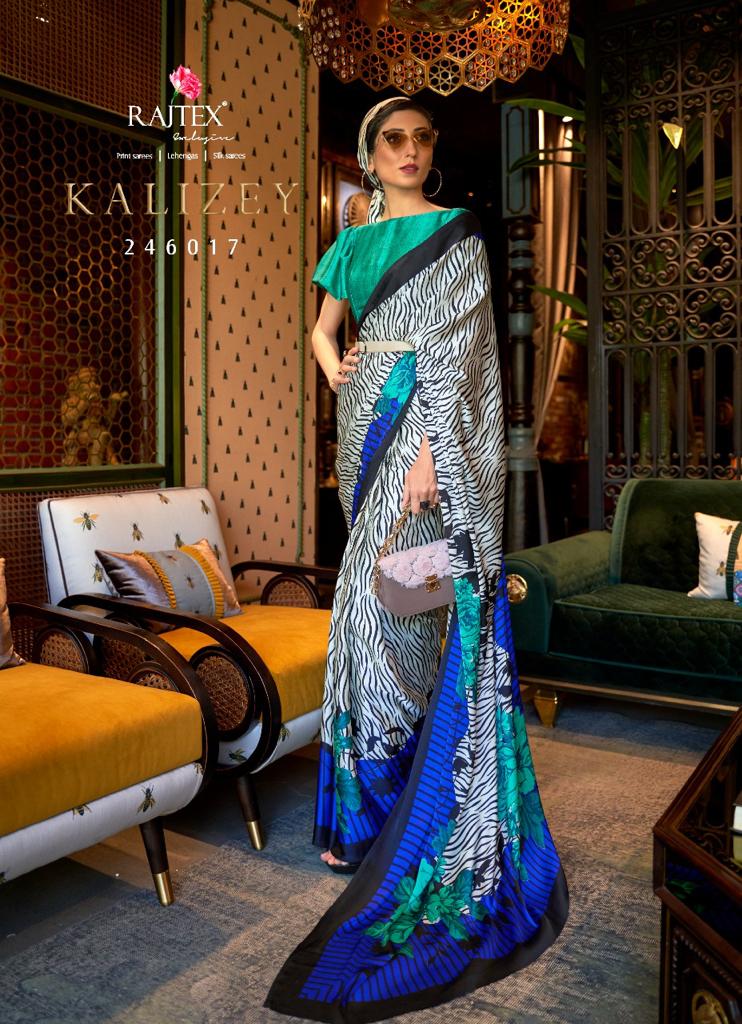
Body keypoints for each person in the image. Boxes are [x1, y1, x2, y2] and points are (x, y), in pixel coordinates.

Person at [265, 95, 569, 1023]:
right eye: (392, 139)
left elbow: (467, 354)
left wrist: (437, 447)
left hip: (429, 436)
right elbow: (322, 328)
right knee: (366, 614)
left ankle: (409, 800)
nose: (408, 149)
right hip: (368, 423)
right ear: (370, 154)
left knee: (408, 608)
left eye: (420, 138)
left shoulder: (457, 234)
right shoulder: (353, 242)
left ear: (431, 152)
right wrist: (335, 367)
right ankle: (365, 813)